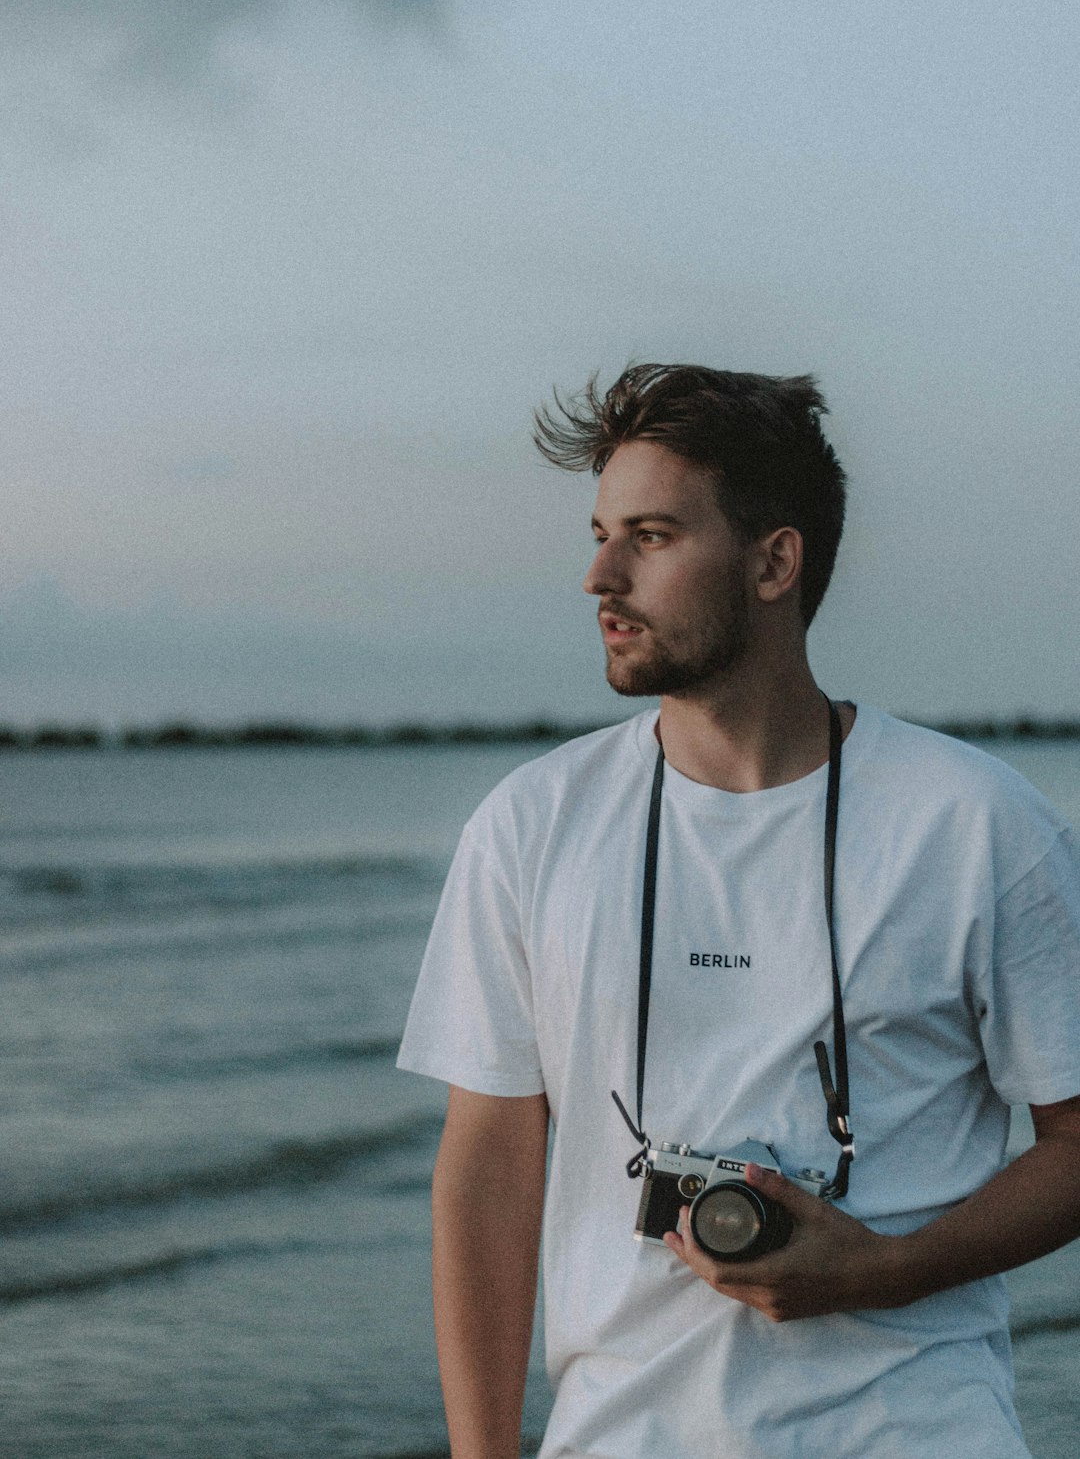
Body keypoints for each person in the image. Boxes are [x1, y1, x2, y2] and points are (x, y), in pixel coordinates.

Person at [397, 364, 1080, 1459]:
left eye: (653, 536)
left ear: (775, 561)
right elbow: (487, 1166)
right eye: (601, 531)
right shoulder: (531, 827)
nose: (598, 575)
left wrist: (884, 1268)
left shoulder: (974, 823)